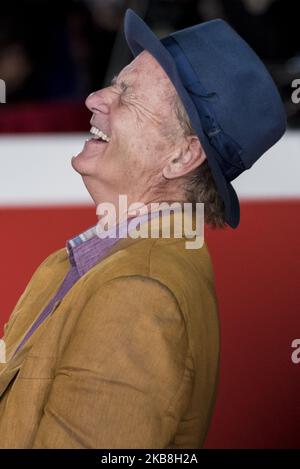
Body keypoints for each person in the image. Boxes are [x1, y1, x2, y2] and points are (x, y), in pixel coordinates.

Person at [0, 9, 286, 448]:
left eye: (127, 95)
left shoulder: (141, 292)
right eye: (114, 83)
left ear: (181, 157)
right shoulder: (101, 262)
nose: (95, 97)